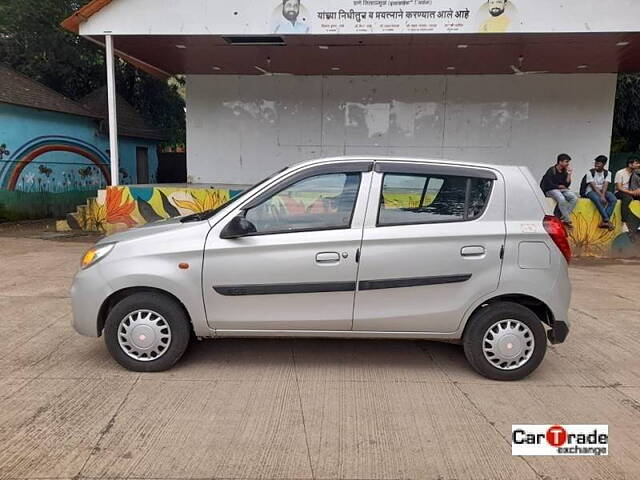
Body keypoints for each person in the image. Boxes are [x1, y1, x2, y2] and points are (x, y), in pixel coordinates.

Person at [540, 153, 578, 229]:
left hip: (561, 189)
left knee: (574, 198)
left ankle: (563, 218)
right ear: (560, 162)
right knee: (562, 199)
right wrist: (558, 186)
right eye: (566, 162)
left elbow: (566, 185)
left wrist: (569, 174)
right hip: (550, 190)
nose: (568, 164)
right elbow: (548, 184)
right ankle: (567, 220)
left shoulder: (564, 171)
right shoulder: (551, 170)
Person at [582, 155, 617, 230]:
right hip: (590, 191)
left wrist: (603, 195)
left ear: (604, 164)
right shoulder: (590, 172)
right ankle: (607, 220)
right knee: (597, 199)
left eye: (598, 163)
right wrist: (601, 196)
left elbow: (605, 184)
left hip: (602, 191)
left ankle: (604, 221)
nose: (596, 165)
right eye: (595, 163)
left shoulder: (608, 173)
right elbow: (593, 186)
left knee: (613, 199)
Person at [614, 157, 640, 241]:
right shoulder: (620, 172)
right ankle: (625, 221)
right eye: (636, 163)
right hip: (621, 192)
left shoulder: (636, 173)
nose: (638, 165)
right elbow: (619, 187)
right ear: (630, 164)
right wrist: (631, 193)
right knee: (627, 198)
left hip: (633, 192)